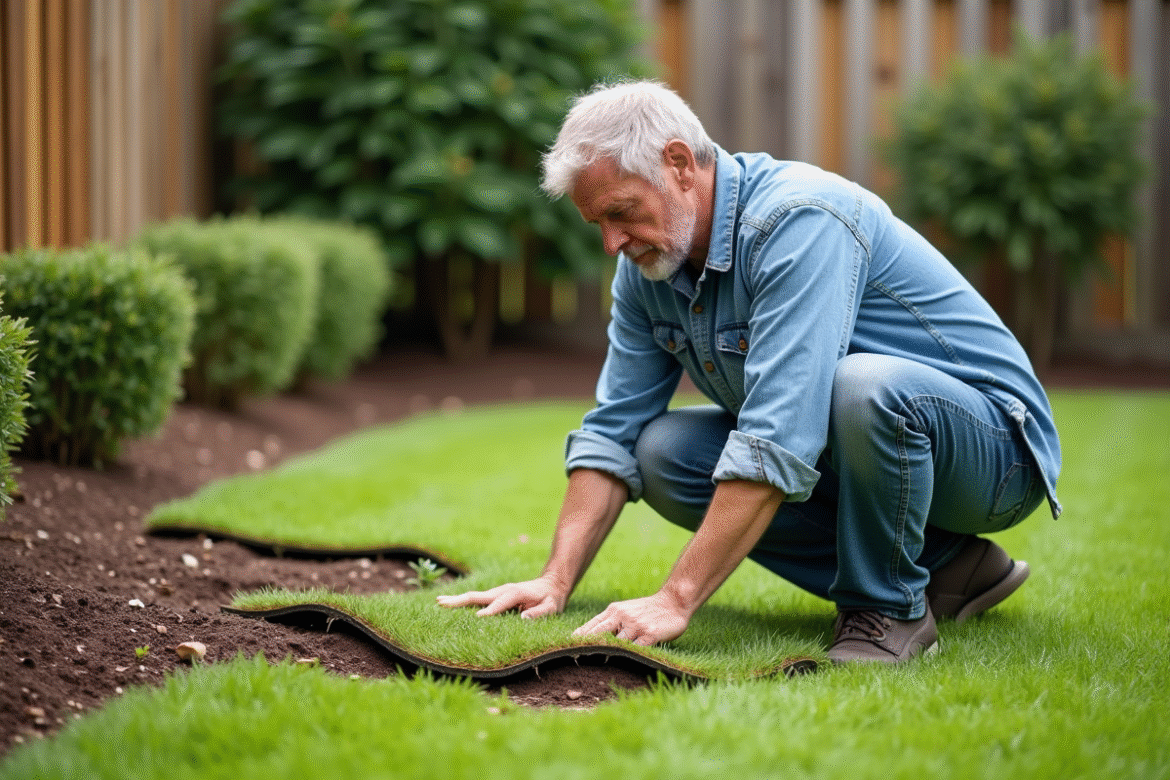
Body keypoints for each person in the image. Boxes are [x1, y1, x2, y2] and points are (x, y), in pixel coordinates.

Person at [438, 80, 1061, 664]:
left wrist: (675, 598)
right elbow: (615, 430)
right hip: (872, 448)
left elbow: (779, 433)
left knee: (863, 387)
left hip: (995, 455)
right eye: (598, 223)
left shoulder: (799, 220)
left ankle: (887, 608)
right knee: (663, 452)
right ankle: (952, 569)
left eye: (622, 212)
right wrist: (555, 580)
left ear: (680, 164)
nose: (612, 243)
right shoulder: (649, 267)